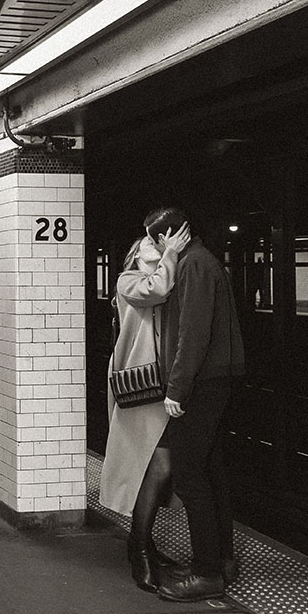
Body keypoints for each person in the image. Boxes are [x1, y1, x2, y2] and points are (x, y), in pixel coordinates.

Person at [144, 205, 245, 602]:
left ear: (165, 237)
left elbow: (193, 333)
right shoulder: (201, 262)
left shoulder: (193, 266)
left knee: (188, 474)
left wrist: (176, 389)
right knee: (211, 469)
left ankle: (206, 574)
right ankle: (222, 561)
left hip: (203, 382)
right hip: (214, 378)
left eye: (155, 242)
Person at [99, 222, 191, 592]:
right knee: (156, 464)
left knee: (155, 467)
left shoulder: (168, 273)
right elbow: (157, 290)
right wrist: (170, 253)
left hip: (160, 384)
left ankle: (143, 544)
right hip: (139, 385)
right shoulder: (128, 281)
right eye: (148, 244)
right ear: (136, 256)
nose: (156, 245)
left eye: (160, 243)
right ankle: (138, 550)